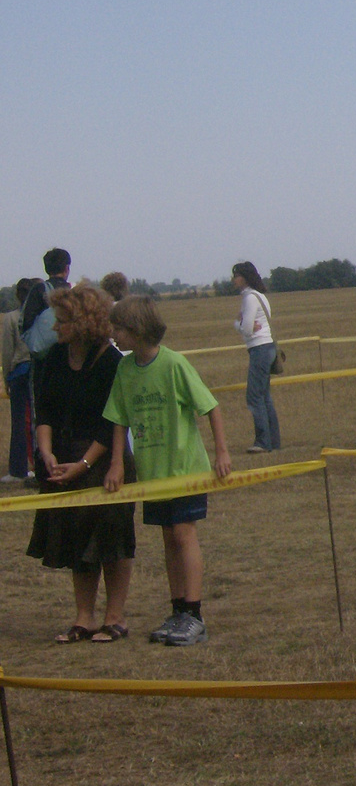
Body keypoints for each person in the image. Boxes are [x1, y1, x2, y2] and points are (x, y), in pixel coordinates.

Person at [103, 295, 232, 646]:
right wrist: (116, 463)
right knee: (167, 539)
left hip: (185, 469)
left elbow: (211, 407)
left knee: (182, 535)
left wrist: (221, 452)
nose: (113, 334)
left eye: (118, 328)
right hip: (153, 473)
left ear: (137, 329)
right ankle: (177, 611)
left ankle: (194, 614)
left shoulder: (174, 364)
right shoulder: (125, 369)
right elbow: (118, 419)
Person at [26, 284, 136, 642]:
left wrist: (85, 464)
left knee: (112, 539)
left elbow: (113, 423)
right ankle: (84, 617)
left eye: (63, 319)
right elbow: (45, 410)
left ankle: (115, 617)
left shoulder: (112, 362)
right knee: (77, 541)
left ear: (84, 320)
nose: (56, 326)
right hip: (63, 460)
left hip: (105, 460)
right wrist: (46, 454)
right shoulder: (55, 358)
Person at [231, 262, 280, 454]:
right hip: (268, 347)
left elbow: (247, 329)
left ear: (244, 277)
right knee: (265, 396)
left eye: (236, 276)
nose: (234, 280)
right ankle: (273, 441)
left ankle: (263, 442)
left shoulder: (250, 299)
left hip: (259, 348)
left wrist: (238, 323)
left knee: (254, 397)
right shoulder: (260, 296)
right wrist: (244, 324)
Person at [3, 278, 39, 484]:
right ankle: (38, 464)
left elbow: (7, 351)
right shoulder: (40, 317)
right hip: (37, 370)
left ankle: (18, 469)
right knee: (38, 420)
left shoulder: (10, 318)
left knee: (18, 422)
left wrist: (6, 375)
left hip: (18, 372)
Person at [21, 248, 71, 360]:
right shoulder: (74, 292)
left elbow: (26, 322)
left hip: (43, 357)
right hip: (69, 355)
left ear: (46, 269)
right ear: (66, 268)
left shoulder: (38, 289)